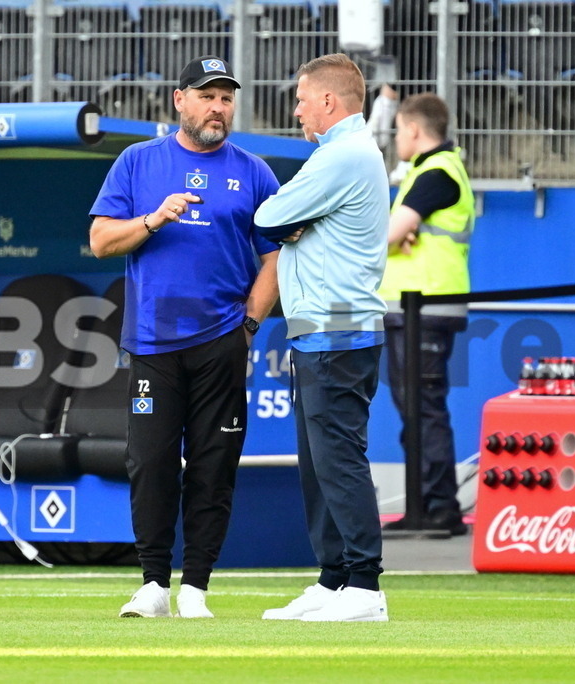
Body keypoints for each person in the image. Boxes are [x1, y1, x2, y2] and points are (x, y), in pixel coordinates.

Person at [88, 55, 281, 619]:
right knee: (149, 463)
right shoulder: (137, 162)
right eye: (207, 96)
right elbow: (100, 240)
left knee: (213, 464)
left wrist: (247, 325)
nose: (218, 107)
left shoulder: (253, 171)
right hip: (152, 342)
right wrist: (153, 219)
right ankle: (153, 584)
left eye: (226, 97)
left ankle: (195, 586)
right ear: (180, 100)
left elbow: (275, 257)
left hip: (221, 340)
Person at [254, 54, 390, 622]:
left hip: (339, 333)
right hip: (319, 334)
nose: (296, 109)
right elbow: (282, 220)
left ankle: (365, 585)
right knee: (318, 465)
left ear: (330, 103)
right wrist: (290, 221)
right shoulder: (339, 155)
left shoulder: (343, 155)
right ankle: (334, 580)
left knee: (339, 460)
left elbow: (266, 218)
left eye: (303, 98)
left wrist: (286, 220)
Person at [379, 92, 475, 536]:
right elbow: (398, 235)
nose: (398, 137)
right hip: (414, 307)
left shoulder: (437, 173)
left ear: (414, 130)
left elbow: (385, 236)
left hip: (428, 307)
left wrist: (395, 236)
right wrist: (398, 236)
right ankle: (423, 505)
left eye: (399, 129)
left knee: (425, 409)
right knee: (414, 409)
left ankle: (441, 508)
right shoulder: (427, 171)